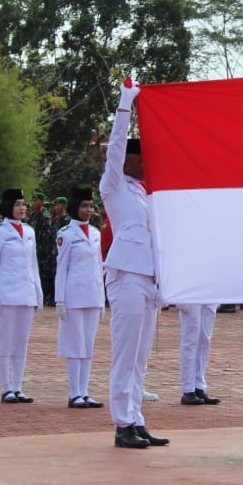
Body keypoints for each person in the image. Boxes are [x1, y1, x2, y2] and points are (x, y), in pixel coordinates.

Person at [101, 79, 170, 449]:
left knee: (141, 356)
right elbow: (114, 147)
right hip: (125, 275)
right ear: (127, 160)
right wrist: (125, 106)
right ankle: (121, 422)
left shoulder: (145, 194)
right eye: (140, 157)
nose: (146, 164)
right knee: (125, 352)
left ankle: (136, 417)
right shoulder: (114, 185)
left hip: (147, 278)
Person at [0, 188, 43, 403]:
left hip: (25, 293)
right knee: (3, 341)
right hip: (6, 293)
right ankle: (6, 387)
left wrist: (37, 292)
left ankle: (18, 386)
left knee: (21, 341)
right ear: (8, 206)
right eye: (17, 204)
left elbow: (33, 265)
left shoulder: (29, 231)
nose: (22, 208)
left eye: (23, 204)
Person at [55, 187, 105, 408]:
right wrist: (60, 300)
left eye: (91, 206)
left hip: (93, 295)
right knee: (75, 345)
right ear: (75, 207)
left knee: (88, 346)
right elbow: (61, 269)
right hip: (73, 296)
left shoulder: (95, 232)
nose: (88, 210)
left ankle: (84, 391)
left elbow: (98, 266)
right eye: (84, 206)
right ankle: (74, 392)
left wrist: (102, 299)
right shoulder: (65, 234)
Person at [178, 303, 222, 406]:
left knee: (205, 340)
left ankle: (199, 386)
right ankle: (188, 389)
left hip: (209, 293)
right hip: (191, 294)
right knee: (190, 340)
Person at [27, 192, 56, 307]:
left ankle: (43, 297)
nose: (34, 202)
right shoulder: (33, 215)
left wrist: (45, 252)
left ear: (42, 202)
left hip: (43, 251)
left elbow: (46, 236)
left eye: (36, 200)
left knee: (44, 275)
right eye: (33, 200)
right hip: (33, 248)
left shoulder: (45, 216)